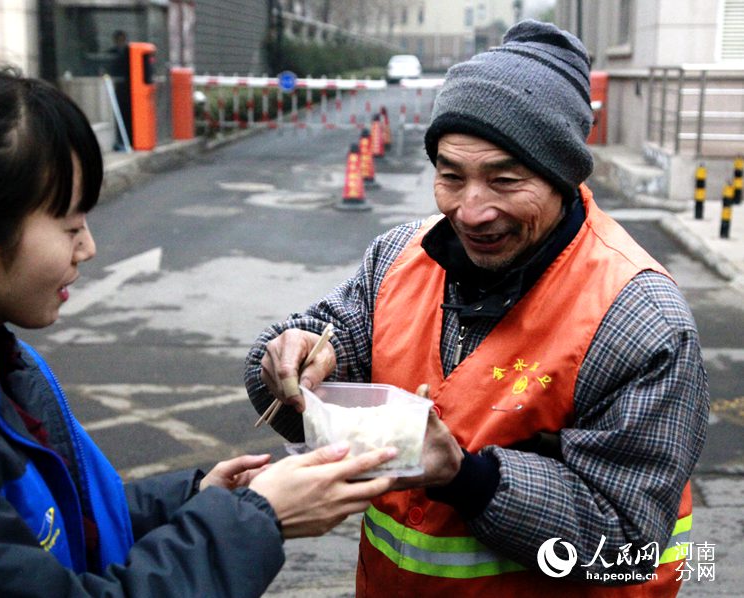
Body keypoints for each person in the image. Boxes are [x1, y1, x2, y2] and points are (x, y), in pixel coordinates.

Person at [0, 63, 398, 597]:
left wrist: (197, 498)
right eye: (69, 226)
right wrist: (257, 519)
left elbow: (58, 528)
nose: (88, 248)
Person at [245, 20, 709, 597]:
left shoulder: (638, 317)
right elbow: (326, 350)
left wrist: (470, 478)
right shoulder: (396, 258)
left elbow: (626, 546)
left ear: (562, 176)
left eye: (505, 179)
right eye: (450, 176)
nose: (471, 211)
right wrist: (289, 361)